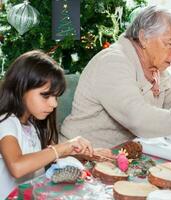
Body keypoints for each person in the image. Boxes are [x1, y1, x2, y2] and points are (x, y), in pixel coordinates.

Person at [61, 5, 171, 148]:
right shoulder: (113, 63)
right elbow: (139, 119)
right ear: (144, 37)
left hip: (120, 154)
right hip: (80, 156)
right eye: (170, 44)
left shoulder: (155, 69)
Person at [0, 50, 114, 199]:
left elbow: (48, 155)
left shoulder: (33, 124)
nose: (54, 104)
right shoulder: (6, 122)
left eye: (56, 96)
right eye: (46, 95)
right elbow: (17, 166)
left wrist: (84, 152)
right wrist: (63, 148)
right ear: (21, 88)